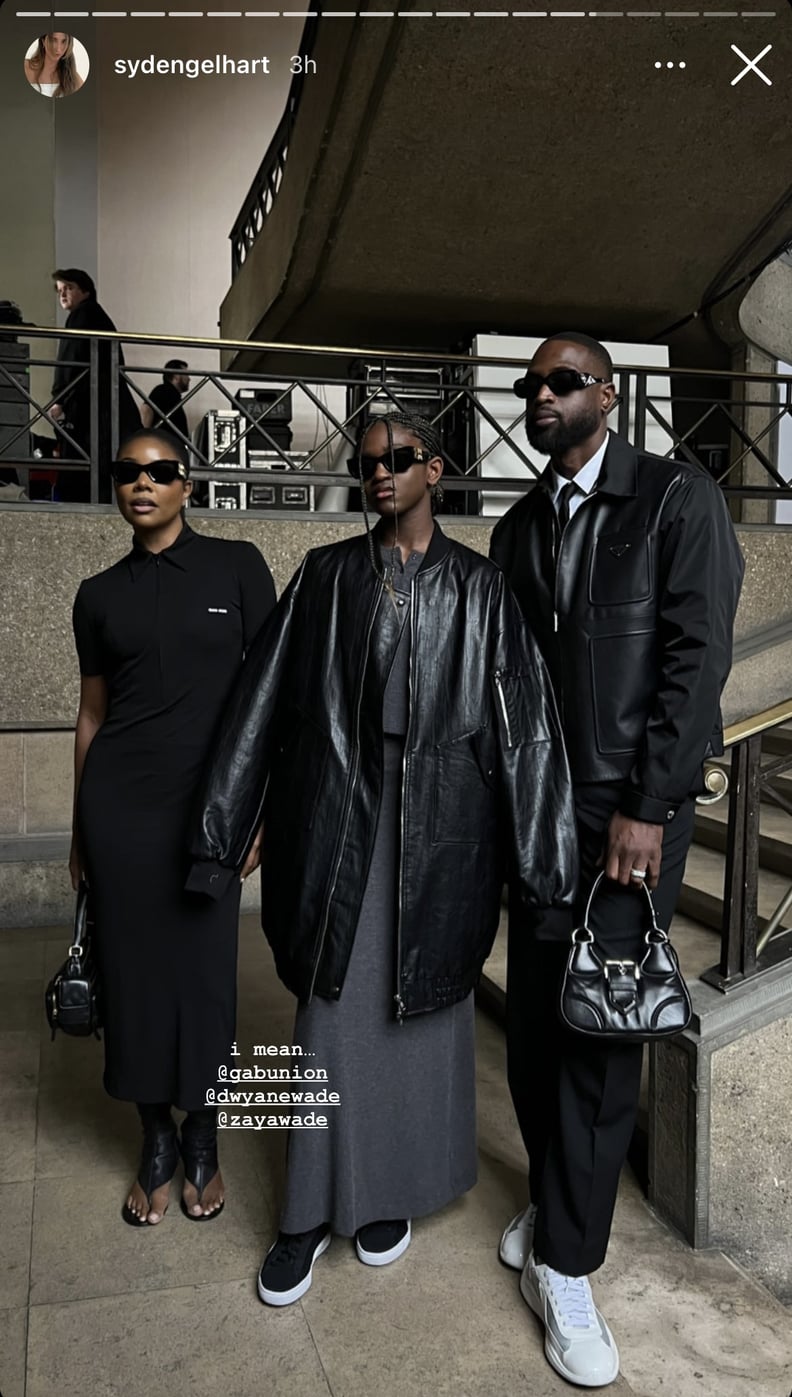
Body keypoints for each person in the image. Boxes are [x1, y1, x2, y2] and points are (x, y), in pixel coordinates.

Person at [187, 410, 578, 1306]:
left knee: (428, 1007)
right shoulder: (326, 575)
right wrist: (222, 831)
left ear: (433, 469)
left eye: (397, 460)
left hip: (447, 828)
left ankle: (385, 1196)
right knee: (333, 1011)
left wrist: (545, 865)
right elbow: (260, 704)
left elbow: (526, 734)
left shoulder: (480, 588)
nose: (380, 475)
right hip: (340, 818)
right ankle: (304, 1214)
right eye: (367, 464)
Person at [489, 332, 744, 1389]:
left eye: (560, 382)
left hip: (626, 813)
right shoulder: (519, 526)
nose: (539, 397)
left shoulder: (675, 501)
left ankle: (569, 1263)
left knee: (599, 1037)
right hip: (539, 810)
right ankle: (554, 1203)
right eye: (529, 385)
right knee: (541, 1020)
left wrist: (647, 803)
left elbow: (696, 659)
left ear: (604, 394)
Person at [70, 428, 276, 1227]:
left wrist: (261, 812)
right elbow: (91, 717)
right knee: (134, 980)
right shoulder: (96, 594)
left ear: (187, 485)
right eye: (127, 472)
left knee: (203, 979)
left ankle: (204, 1134)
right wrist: (80, 834)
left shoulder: (238, 565)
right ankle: (155, 1134)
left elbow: (271, 704)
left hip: (211, 815)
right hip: (120, 811)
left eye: (159, 471)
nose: (142, 483)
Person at [49, 269, 140, 501]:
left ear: (85, 290)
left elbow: (70, 361)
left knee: (82, 473)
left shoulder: (81, 316)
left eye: (68, 288)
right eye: (59, 290)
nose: (62, 294)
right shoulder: (97, 315)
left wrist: (59, 398)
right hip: (107, 406)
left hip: (90, 409)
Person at [142, 360, 190, 443]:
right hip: (163, 446)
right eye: (186, 374)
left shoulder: (173, 396)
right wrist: (144, 440)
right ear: (176, 376)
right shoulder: (162, 390)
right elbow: (146, 410)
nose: (189, 379)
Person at [25, 32, 83, 97]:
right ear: (43, 41)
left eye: (63, 41)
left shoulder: (73, 78)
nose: (58, 49)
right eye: (53, 40)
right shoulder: (25, 67)